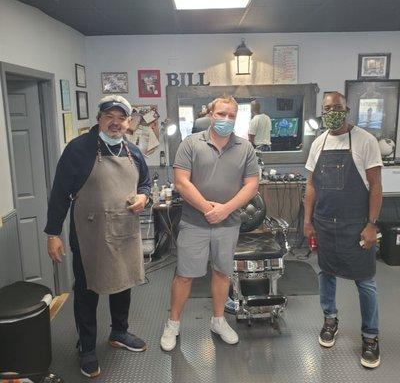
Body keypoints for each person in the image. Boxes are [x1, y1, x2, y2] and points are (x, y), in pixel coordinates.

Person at [45, 95, 151, 377]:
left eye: (121, 118)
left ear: (128, 123)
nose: (115, 122)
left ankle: (119, 332)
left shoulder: (133, 151)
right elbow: (59, 194)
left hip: (125, 230)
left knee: (123, 281)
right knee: (87, 289)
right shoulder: (79, 150)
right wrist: (53, 232)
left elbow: (146, 184)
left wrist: (144, 197)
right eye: (109, 116)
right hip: (89, 232)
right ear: (99, 119)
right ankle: (87, 348)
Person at [160, 95, 259, 351]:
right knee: (184, 275)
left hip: (229, 223)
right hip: (195, 223)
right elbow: (182, 181)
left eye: (231, 116)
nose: (226, 119)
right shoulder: (191, 143)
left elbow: (251, 185)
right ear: (210, 114)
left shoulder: (245, 147)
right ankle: (173, 324)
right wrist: (207, 208)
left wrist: (225, 209)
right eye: (221, 114)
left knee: (222, 272)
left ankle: (218, 321)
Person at [303, 91, 383, 369]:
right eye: (327, 108)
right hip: (325, 224)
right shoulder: (318, 143)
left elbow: (375, 186)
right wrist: (307, 220)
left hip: (356, 225)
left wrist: (372, 225)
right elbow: (311, 185)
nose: (331, 112)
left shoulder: (365, 140)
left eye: (337, 107)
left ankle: (371, 337)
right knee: (326, 275)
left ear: (347, 109)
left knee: (365, 282)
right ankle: (330, 320)